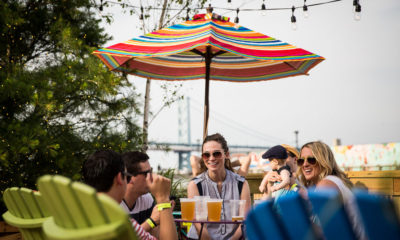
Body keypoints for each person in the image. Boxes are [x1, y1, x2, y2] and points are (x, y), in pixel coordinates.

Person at [82, 150, 177, 240]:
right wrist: (163, 200)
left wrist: (161, 217)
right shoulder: (120, 219)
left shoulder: (80, 210)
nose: (151, 177)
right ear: (120, 178)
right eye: (147, 174)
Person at [187, 133, 251, 240]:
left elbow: (245, 221)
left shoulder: (241, 184)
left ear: (226, 155)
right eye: (206, 155)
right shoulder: (195, 185)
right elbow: (198, 224)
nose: (211, 158)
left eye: (216, 154)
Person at [297, 141, 366, 239]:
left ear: (323, 161)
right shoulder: (331, 181)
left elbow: (325, 230)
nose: (305, 164)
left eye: (311, 160)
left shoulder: (326, 185)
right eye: (301, 161)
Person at [121, 151, 160, 237]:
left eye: (151, 172)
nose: (151, 177)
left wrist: (163, 201)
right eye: (146, 174)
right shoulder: (115, 203)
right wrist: (151, 222)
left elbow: (157, 236)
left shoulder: (147, 199)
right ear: (129, 177)